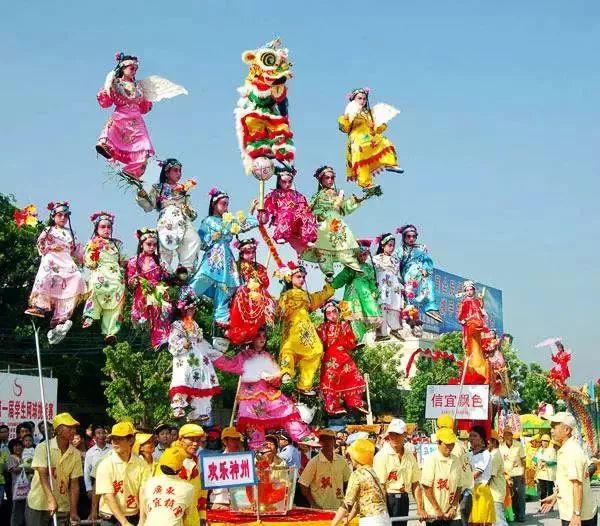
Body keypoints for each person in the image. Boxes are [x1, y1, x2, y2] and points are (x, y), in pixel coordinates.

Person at [214, 326, 319, 449]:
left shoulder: (268, 356)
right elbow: (229, 364)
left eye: (264, 336)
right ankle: (257, 448)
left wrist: (274, 377)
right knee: (252, 422)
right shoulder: (245, 355)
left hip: (270, 395)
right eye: (259, 336)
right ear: (252, 338)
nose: (262, 339)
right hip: (251, 396)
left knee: (288, 409)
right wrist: (215, 355)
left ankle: (302, 435)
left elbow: (277, 381)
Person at [189, 188, 258, 327]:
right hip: (214, 255)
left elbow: (244, 225)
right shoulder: (207, 221)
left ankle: (221, 315)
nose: (226, 207)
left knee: (226, 286)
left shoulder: (230, 220)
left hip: (227, 256)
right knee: (202, 279)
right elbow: (200, 242)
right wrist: (210, 238)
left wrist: (251, 211)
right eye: (223, 204)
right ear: (214, 204)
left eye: (227, 204)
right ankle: (185, 300)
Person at [24, 201, 87, 344]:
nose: (63, 218)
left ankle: (60, 317)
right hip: (52, 259)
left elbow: (77, 251)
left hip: (66, 261)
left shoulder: (70, 233)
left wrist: (90, 257)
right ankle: (39, 306)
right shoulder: (48, 230)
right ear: (53, 216)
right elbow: (40, 245)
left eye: (66, 215)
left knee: (76, 278)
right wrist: (47, 243)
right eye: (60, 215)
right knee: (45, 276)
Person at [302, 166, 373, 276]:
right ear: (321, 180)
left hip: (336, 221)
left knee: (343, 241)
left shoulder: (338, 194)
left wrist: (355, 201)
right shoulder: (317, 196)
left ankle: (350, 261)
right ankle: (327, 268)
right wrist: (317, 215)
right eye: (327, 178)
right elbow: (308, 210)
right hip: (323, 221)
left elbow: (344, 209)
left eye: (332, 178)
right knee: (322, 245)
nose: (330, 181)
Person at [168, 287, 225, 421]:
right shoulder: (177, 325)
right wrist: (182, 344)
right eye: (189, 309)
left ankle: (200, 411)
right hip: (184, 356)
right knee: (182, 377)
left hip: (199, 356)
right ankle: (178, 406)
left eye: (193, 309)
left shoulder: (196, 325)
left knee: (203, 380)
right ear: (183, 309)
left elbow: (202, 342)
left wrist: (214, 352)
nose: (191, 311)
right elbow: (172, 341)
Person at [136, 159, 201, 274]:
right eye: (175, 170)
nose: (179, 173)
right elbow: (150, 205)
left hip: (182, 220)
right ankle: (166, 272)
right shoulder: (158, 188)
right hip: (167, 219)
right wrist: (142, 195)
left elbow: (192, 213)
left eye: (180, 171)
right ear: (166, 173)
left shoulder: (184, 189)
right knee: (165, 245)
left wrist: (188, 210)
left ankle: (184, 269)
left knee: (193, 239)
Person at [277, 263, 334, 394]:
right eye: (298, 276)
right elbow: (279, 311)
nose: (302, 280)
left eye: (303, 277)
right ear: (289, 278)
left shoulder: (307, 296)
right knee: (289, 348)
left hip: (306, 328)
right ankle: (286, 372)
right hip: (293, 325)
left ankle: (304, 384)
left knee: (317, 350)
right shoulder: (286, 295)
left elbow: (322, 295)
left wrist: (329, 282)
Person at [338, 87, 402, 193]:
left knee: (384, 141)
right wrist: (346, 118)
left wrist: (379, 124)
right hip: (357, 139)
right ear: (353, 99)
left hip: (369, 138)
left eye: (364, 98)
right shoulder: (350, 112)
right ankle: (366, 183)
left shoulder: (369, 114)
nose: (362, 101)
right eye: (359, 98)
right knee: (361, 159)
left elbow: (377, 130)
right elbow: (344, 128)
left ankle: (390, 164)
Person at [540, 412, 597, 526]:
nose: (551, 430)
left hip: (578, 516)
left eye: (554, 426)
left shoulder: (571, 452)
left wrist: (576, 514)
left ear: (567, 430)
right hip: (573, 513)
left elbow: (577, 485)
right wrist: (556, 496)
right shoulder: (566, 449)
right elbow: (569, 483)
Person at [25, 413, 82, 526]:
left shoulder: (75, 454)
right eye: (69, 427)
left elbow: (74, 485)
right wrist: (51, 500)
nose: (73, 431)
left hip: (62, 504)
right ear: (59, 430)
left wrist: (73, 511)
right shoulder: (43, 448)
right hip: (39, 503)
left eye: (74, 428)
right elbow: (43, 476)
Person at [126, 227, 174, 350]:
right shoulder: (134, 261)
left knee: (162, 312)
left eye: (154, 245)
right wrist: (136, 280)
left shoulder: (158, 260)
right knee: (146, 316)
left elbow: (166, 277)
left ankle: (160, 341)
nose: (152, 247)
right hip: (143, 292)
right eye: (149, 244)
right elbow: (130, 281)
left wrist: (165, 270)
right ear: (142, 245)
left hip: (157, 291)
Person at [95, 421, 151, 526]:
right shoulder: (105, 464)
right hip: (110, 518)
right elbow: (108, 495)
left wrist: (142, 519)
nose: (115, 442)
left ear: (131, 440)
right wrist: (124, 522)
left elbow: (143, 493)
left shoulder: (141, 465)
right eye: (113, 439)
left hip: (133, 515)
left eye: (119, 439)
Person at [82, 211, 125, 343]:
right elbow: (89, 262)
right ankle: (90, 315)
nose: (106, 229)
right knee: (95, 290)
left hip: (115, 276)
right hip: (100, 273)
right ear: (96, 228)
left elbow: (120, 260)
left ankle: (110, 331)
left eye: (109, 227)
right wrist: (95, 251)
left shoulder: (116, 244)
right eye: (103, 227)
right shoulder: (93, 242)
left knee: (116, 302)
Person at [317, 299, 367, 415]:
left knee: (354, 377)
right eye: (328, 313)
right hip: (330, 359)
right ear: (325, 315)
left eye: (334, 311)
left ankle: (355, 402)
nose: (332, 315)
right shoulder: (322, 328)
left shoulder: (344, 325)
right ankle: (332, 407)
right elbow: (318, 344)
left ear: (338, 312)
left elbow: (350, 343)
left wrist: (348, 325)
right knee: (329, 381)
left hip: (344, 358)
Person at [373, 418, 423, 525]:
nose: (394, 438)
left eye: (398, 434)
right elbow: (380, 487)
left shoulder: (409, 455)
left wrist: (420, 507)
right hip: (388, 499)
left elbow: (415, 483)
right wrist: (384, 510)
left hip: (404, 499)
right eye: (392, 434)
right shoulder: (381, 456)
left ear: (404, 435)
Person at [226, 238, 275, 345]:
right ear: (241, 253)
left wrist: (261, 277)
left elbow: (266, 284)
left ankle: (258, 328)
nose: (251, 254)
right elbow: (232, 281)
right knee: (242, 290)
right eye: (248, 252)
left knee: (265, 296)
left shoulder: (259, 267)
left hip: (256, 294)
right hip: (241, 292)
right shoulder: (236, 266)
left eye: (253, 252)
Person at [331, 239, 381, 343]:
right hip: (352, 297)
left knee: (364, 320)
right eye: (361, 255)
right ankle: (354, 341)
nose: (364, 257)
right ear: (356, 255)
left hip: (367, 299)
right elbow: (340, 280)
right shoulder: (351, 267)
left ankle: (361, 341)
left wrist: (375, 292)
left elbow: (372, 282)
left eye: (365, 255)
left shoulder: (369, 268)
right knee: (352, 320)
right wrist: (332, 281)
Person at [331, 438, 390, 526]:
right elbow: (359, 503)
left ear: (356, 456)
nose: (349, 458)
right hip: (384, 518)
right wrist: (349, 518)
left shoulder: (357, 474)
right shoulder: (372, 471)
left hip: (370, 520)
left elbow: (347, 503)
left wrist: (333, 524)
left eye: (350, 455)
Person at [260, 168, 318, 255]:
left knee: (308, 215)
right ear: (279, 182)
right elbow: (267, 207)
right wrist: (263, 215)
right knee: (287, 213)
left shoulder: (297, 195)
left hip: (297, 220)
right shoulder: (275, 194)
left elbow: (304, 206)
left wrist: (307, 212)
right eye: (284, 182)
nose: (287, 184)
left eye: (289, 182)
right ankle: (281, 235)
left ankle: (309, 238)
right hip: (283, 218)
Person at [139, 446, 194, 526]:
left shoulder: (150, 482)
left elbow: (145, 508)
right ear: (180, 468)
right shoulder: (188, 488)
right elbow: (187, 515)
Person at [397, 224, 441, 323]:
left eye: (414, 236)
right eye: (409, 236)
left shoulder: (421, 248)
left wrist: (426, 269)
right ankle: (410, 316)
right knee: (410, 294)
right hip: (409, 275)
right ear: (404, 237)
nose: (411, 238)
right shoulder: (400, 250)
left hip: (421, 274)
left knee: (429, 286)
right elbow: (395, 264)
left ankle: (431, 308)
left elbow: (427, 261)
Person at [420, 428, 464, 526]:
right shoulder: (431, 460)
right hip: (435, 513)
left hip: (452, 513)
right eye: (447, 444)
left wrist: (453, 506)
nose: (450, 447)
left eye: (452, 444)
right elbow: (427, 487)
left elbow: (459, 486)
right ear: (439, 443)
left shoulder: (456, 460)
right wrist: (437, 509)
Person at [299, 429, 351, 511]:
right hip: (320, 508)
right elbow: (303, 485)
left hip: (339, 507)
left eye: (329, 439)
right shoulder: (314, 462)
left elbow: (347, 482)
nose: (327, 442)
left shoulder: (341, 460)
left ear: (334, 441)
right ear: (320, 442)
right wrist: (313, 504)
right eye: (324, 439)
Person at [169, 424, 209, 525]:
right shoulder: (169, 461)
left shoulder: (198, 464)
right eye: (191, 439)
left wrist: (202, 517)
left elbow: (202, 494)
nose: (195, 444)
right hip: (173, 518)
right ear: (180, 439)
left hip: (193, 519)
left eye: (198, 440)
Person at [372, 233, 404, 341]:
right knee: (382, 307)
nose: (392, 248)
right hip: (383, 285)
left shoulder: (396, 260)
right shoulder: (376, 259)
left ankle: (395, 329)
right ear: (382, 245)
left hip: (394, 286)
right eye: (389, 245)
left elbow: (397, 274)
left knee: (395, 307)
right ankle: (381, 333)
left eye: (393, 245)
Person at [457, 281, 490, 384]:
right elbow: (460, 316)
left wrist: (481, 300)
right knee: (470, 346)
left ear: (474, 291)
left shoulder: (476, 301)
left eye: (471, 290)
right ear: (465, 292)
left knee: (479, 345)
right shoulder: (464, 302)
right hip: (470, 325)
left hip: (478, 325)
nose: (469, 292)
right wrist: (464, 320)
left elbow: (481, 310)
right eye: (467, 290)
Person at [208, 427, 244, 509]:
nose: (237, 443)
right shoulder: (216, 462)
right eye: (233, 439)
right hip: (220, 503)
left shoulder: (245, 461)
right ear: (225, 441)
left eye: (238, 439)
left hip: (241, 503)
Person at [468, 426, 495, 526]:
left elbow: (475, 474)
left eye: (475, 436)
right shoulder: (468, 454)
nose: (471, 438)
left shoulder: (485, 454)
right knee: (471, 522)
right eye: (470, 436)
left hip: (481, 491)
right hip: (469, 490)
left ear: (482, 439)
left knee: (481, 522)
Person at [83, 424, 111, 523]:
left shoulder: (112, 449)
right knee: (95, 508)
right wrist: (89, 488)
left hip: (110, 483)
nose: (101, 435)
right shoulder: (90, 452)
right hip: (96, 483)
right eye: (98, 433)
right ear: (94, 437)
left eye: (103, 432)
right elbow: (86, 471)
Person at [499, 428, 526, 522]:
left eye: (509, 434)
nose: (507, 436)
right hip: (506, 475)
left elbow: (523, 460)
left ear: (512, 435)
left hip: (518, 474)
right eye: (505, 434)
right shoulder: (500, 447)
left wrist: (524, 474)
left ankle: (521, 515)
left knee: (520, 495)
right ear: (503, 436)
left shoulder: (518, 445)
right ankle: (511, 515)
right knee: (508, 496)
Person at [7, 437, 33, 526]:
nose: (18, 448)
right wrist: (25, 466)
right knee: (16, 509)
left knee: (27, 509)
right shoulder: (11, 457)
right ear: (11, 448)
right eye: (16, 446)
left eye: (20, 446)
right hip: (17, 488)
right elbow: (14, 470)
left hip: (28, 487)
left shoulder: (25, 456)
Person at [487, 431, 507, 526]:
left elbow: (489, 476)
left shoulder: (495, 456)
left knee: (499, 521)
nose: (486, 444)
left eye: (488, 442)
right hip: (494, 492)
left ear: (494, 442)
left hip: (496, 492)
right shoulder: (492, 454)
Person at [533, 433, 556, 500]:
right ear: (541, 442)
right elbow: (535, 458)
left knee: (549, 490)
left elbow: (554, 462)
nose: (545, 443)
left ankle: (549, 505)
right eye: (543, 441)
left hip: (549, 474)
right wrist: (534, 463)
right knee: (542, 490)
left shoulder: (552, 450)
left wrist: (546, 462)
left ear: (549, 442)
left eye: (546, 441)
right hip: (540, 473)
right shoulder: (539, 450)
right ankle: (542, 504)